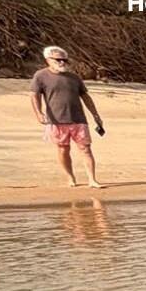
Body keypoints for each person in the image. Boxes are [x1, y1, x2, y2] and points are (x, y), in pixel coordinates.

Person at [30, 46, 105, 189]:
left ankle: (92, 180)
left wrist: (95, 115)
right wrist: (39, 113)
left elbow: (85, 97)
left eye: (64, 60)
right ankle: (70, 177)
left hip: (79, 119)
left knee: (85, 149)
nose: (62, 62)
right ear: (48, 60)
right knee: (63, 149)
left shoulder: (74, 78)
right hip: (57, 121)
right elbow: (34, 95)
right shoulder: (41, 76)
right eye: (58, 60)